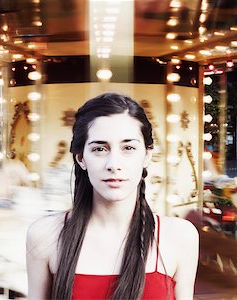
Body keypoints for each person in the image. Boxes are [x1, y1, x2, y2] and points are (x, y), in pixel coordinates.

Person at [26, 93, 199, 299]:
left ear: (147, 155)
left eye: (128, 148)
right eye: (99, 148)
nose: (113, 164)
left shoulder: (180, 236)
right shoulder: (45, 235)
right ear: (81, 158)